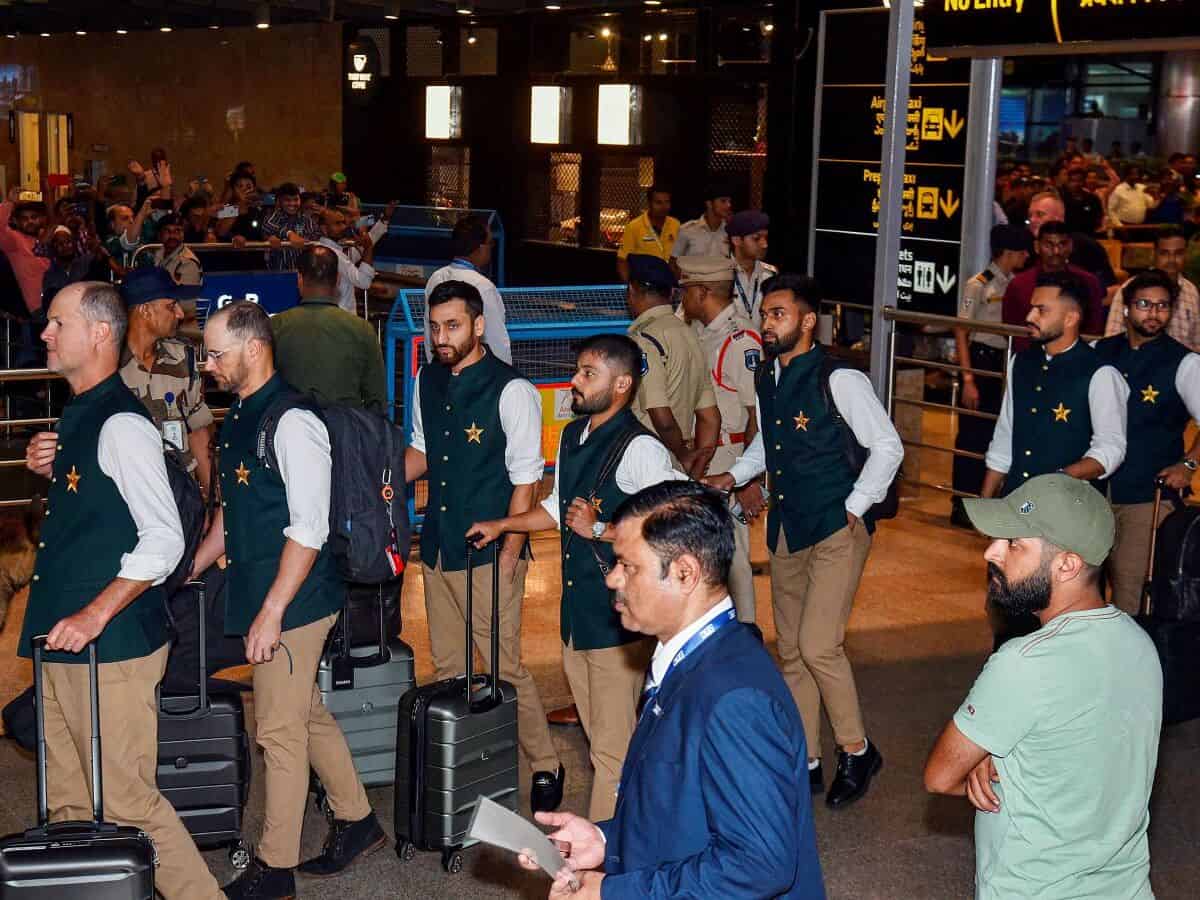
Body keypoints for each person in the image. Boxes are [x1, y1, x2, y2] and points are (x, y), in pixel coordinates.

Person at [516, 481, 825, 899]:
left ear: (685, 573)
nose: (612, 579)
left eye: (628, 566)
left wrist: (613, 893)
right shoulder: (692, 661)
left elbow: (759, 865)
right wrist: (605, 839)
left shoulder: (735, 698)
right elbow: (680, 812)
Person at [18, 282, 224, 900]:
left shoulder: (121, 424)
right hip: (65, 639)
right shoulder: (83, 412)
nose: (45, 335)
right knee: (70, 802)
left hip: (108, 645)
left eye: (57, 324)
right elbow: (101, 507)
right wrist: (54, 468)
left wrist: (94, 614)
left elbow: (163, 542)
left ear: (100, 334)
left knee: (128, 800)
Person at [191, 302, 385, 899]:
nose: (207, 365)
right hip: (264, 589)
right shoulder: (244, 413)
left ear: (254, 348)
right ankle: (358, 820)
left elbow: (308, 528)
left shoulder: (293, 421)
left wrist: (272, 612)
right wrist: (189, 567)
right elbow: (235, 508)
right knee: (303, 714)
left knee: (276, 730)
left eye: (216, 353)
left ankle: (274, 868)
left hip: (296, 597)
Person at [704, 273, 903, 807]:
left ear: (808, 320)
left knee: (820, 645)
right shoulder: (768, 375)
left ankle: (857, 750)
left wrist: (854, 507)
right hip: (788, 527)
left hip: (837, 526)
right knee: (791, 651)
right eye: (765, 314)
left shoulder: (839, 378)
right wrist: (739, 474)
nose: (767, 324)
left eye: (779, 314)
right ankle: (807, 759)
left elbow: (887, 446)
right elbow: (771, 441)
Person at [468, 334, 684, 821]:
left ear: (623, 384)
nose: (575, 382)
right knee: (603, 742)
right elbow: (556, 508)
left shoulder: (641, 448)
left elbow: (672, 526)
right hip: (577, 616)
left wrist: (604, 529)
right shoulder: (573, 436)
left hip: (618, 620)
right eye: (578, 371)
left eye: (589, 373)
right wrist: (503, 525)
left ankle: (605, 858)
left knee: (611, 752)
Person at [925, 474, 1161, 900]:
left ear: (1067, 564)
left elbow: (941, 777)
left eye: (1014, 544)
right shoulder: (1138, 642)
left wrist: (988, 761)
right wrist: (999, 753)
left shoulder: (1023, 662)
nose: (990, 552)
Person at [402, 278, 565, 812]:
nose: (441, 336)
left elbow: (526, 477)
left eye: (452, 326)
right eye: (434, 326)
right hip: (442, 546)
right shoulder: (426, 379)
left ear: (478, 326)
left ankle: (545, 763)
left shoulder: (510, 388)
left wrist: (512, 555)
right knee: (448, 668)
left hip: (493, 551)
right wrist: (378, 476)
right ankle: (468, 763)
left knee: (504, 666)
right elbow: (423, 452)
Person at [1095, 268, 1200, 613]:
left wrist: (1188, 464)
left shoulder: (1184, 363)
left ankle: (1128, 665)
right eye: (1144, 304)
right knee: (1082, 586)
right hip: (1090, 492)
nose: (1154, 313)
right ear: (1125, 309)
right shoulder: (1098, 351)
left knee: (1131, 591)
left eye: (1162, 306)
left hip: (1146, 496)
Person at [983, 270, 1128, 499]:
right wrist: (986, 500)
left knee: (1028, 531)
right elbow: (1005, 435)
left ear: (1070, 318)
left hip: (1066, 508)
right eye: (1032, 308)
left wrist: (1061, 477)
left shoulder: (1101, 374)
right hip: (1018, 499)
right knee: (1007, 533)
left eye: (1041, 310)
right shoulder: (1020, 362)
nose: (1030, 317)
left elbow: (1111, 449)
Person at [677, 255, 761, 622]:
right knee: (707, 553)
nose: (682, 299)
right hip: (706, 457)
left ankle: (746, 630)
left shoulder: (741, 342)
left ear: (703, 291)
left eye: (686, 291)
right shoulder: (700, 332)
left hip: (731, 455)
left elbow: (758, 413)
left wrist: (748, 477)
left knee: (735, 558)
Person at [951, 225, 1031, 520]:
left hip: (1005, 362)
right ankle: (962, 504)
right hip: (981, 362)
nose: (1027, 255)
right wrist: (967, 378)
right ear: (1008, 252)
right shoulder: (978, 285)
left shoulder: (1018, 285)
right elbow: (961, 329)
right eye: (1022, 251)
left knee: (998, 433)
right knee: (972, 434)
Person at [118, 268, 213, 498]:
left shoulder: (182, 358)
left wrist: (213, 500)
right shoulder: (107, 366)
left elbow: (199, 432)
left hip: (179, 496)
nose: (180, 313)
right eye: (171, 306)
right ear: (145, 310)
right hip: (125, 498)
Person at [625, 254, 721, 479]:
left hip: (644, 459)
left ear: (631, 290)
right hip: (677, 464)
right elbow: (710, 416)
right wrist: (696, 466)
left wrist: (683, 454)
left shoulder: (644, 339)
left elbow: (660, 413)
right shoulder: (691, 335)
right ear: (670, 294)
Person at [271, 245, 387, 412]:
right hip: (346, 431)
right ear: (338, 279)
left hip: (289, 430)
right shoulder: (362, 330)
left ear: (300, 279)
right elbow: (376, 400)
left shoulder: (276, 326)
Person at [1002, 221, 1106, 351]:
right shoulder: (1019, 284)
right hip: (1030, 356)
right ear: (1036, 246)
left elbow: (1094, 327)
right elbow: (1012, 329)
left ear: (1071, 246)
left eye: (1062, 244)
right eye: (1049, 245)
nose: (1056, 251)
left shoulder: (1089, 282)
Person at [424, 214, 512, 364]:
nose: (491, 249)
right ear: (479, 248)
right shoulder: (483, 287)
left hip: (442, 365)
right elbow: (496, 340)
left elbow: (428, 331)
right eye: (490, 243)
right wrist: (505, 377)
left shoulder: (435, 278)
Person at [1105, 225, 1200, 350]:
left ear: (1185, 254)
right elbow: (1113, 341)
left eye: (1178, 253)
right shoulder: (1132, 288)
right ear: (1154, 254)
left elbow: (1197, 342)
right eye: (1164, 253)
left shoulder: (1191, 291)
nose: (1171, 260)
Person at [1024, 190, 1118, 298]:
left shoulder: (1086, 246)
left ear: (1059, 218)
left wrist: (1078, 304)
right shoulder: (1024, 249)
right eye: (1030, 215)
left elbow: (1113, 290)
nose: (1032, 220)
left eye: (1039, 214)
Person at [0, 188, 50, 315]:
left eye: (34, 217)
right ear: (16, 221)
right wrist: (10, 203)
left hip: (57, 303)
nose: (30, 222)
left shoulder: (48, 237)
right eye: (24, 219)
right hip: (36, 311)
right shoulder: (14, 240)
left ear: (41, 219)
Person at [317, 207, 376, 314]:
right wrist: (368, 248)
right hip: (341, 315)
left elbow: (360, 251)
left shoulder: (326, 249)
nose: (343, 227)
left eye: (343, 223)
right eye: (337, 224)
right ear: (324, 229)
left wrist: (383, 222)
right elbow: (364, 282)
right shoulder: (333, 253)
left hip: (334, 314)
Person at [616, 186, 679, 282]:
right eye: (658, 203)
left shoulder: (676, 224)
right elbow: (622, 261)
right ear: (649, 203)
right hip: (645, 286)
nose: (664, 207)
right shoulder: (634, 226)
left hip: (670, 285)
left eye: (667, 202)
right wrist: (629, 287)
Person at [728, 209, 777, 323]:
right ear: (736, 240)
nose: (765, 244)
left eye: (766, 237)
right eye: (756, 238)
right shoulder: (718, 274)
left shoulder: (770, 274)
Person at [262, 182, 321, 271]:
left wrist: (307, 241)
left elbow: (317, 234)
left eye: (295, 199)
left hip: (303, 274)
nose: (292, 203)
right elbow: (267, 228)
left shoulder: (306, 219)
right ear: (280, 201)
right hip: (279, 274)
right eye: (287, 200)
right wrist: (289, 234)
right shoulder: (272, 217)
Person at [41, 225, 101, 312]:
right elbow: (48, 305)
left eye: (68, 242)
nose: (65, 246)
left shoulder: (88, 261)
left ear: (74, 243)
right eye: (60, 244)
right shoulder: (50, 275)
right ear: (53, 248)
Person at [669, 185, 731, 265]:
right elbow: (673, 263)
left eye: (729, 201)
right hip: (694, 277)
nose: (729, 205)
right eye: (723, 201)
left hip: (724, 277)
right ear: (709, 204)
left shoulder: (730, 231)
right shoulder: (688, 230)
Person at [152, 214, 203, 286]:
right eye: (167, 231)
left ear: (183, 235)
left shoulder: (188, 262)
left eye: (177, 231)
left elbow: (186, 295)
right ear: (159, 235)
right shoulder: (157, 253)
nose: (172, 236)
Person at [1061, 167, 1104, 234]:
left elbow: (1099, 217)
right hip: (1068, 235)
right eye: (1073, 181)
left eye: (1079, 180)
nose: (1076, 184)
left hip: (1089, 235)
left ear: (1084, 181)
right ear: (1068, 182)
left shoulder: (1092, 199)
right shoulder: (1062, 199)